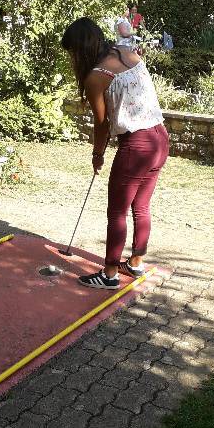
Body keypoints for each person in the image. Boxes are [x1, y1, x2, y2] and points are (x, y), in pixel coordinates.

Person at [61, 18, 169, 289]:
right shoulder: (127, 53)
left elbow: (102, 124)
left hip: (137, 146)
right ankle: (135, 264)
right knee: (141, 207)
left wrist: (97, 155)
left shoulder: (96, 76)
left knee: (117, 212)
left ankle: (109, 274)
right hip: (160, 139)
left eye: (72, 52)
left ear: (80, 49)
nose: (72, 59)